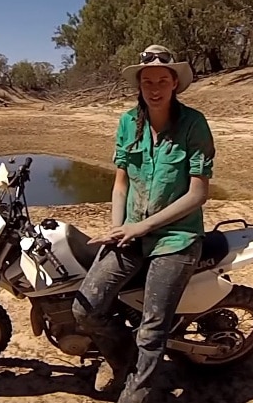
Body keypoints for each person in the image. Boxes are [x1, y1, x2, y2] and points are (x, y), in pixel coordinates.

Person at [71, 44, 216, 403]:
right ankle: (124, 360)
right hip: (131, 232)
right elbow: (121, 183)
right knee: (84, 308)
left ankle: (139, 393)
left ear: (174, 84)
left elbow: (197, 194)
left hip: (177, 238)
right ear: (139, 84)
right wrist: (116, 228)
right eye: (147, 80)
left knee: (152, 328)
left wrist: (143, 226)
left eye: (162, 80)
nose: (154, 88)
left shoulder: (194, 124)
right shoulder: (127, 123)